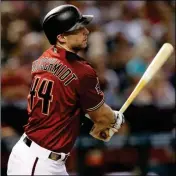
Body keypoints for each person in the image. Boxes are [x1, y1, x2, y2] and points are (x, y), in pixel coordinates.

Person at [7, 4, 125, 175]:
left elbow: (66, 104)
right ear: (61, 37)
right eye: (77, 29)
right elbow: (102, 117)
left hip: (36, 156)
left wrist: (95, 120)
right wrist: (114, 118)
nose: (86, 32)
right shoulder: (82, 71)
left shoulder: (43, 60)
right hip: (39, 163)